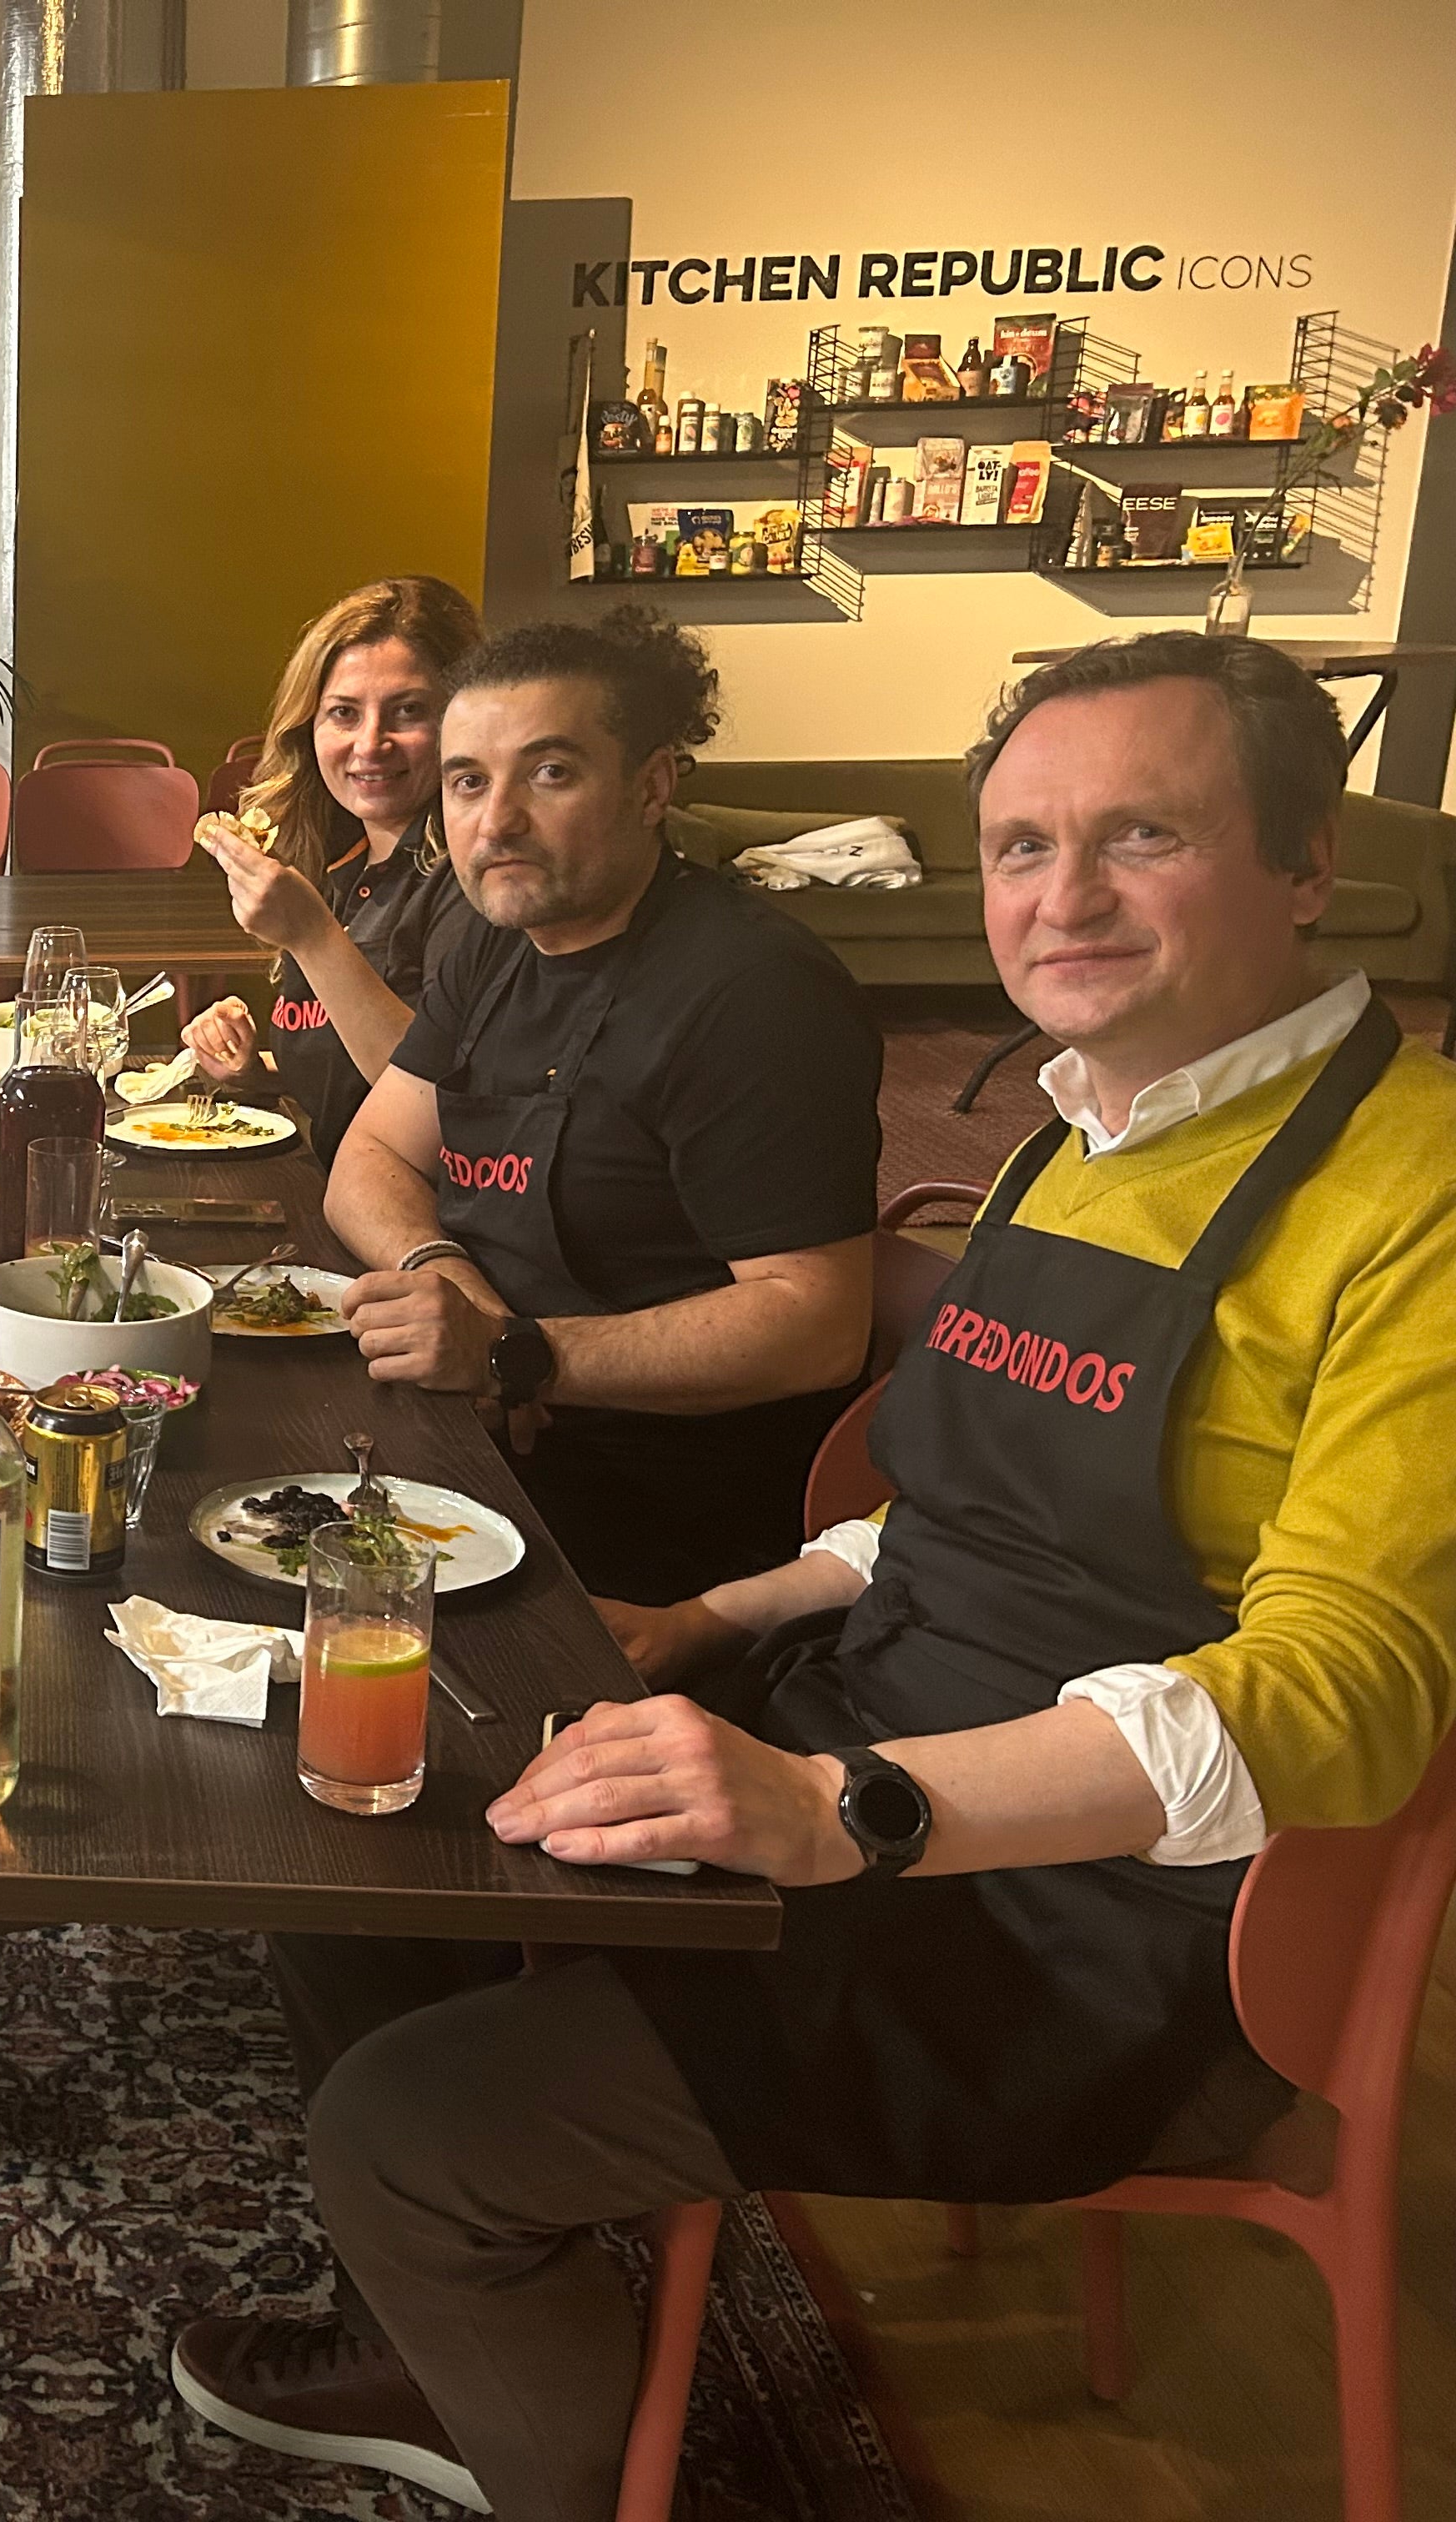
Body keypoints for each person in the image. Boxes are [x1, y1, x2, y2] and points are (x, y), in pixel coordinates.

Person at [170, 632, 1456, 2522]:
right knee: (371, 1811)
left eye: (1143, 835)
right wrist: (707, 1620)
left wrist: (845, 1804)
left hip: (1098, 1930)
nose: (1063, 897)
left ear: (1308, 862)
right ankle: (462, 2305)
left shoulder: (1410, 1194)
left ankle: (553, 2448)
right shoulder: (1087, 1132)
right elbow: (941, 1507)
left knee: (402, 2127)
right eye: (1020, 846)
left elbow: (1351, 1693)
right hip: (870, 1739)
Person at [322, 609, 881, 1606]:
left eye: (549, 773)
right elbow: (369, 1159)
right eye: (467, 782)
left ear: (652, 786)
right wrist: (462, 1295)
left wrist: (526, 1357)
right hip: (497, 1440)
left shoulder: (755, 992)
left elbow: (819, 1323)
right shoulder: (498, 940)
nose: (497, 822)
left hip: (659, 1521)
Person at [178, 575, 484, 1143]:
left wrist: (313, 936)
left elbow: (439, 1102)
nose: (370, 744)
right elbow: (351, 1076)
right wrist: (255, 1073)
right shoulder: (338, 858)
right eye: (344, 713)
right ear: (308, 728)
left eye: (408, 711)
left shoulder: (474, 881)